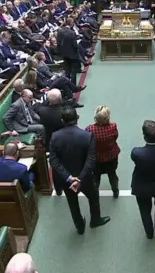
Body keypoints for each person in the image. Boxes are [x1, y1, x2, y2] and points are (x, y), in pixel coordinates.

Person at [49, 106, 110, 234]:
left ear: (62, 120)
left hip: (67, 180)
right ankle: (95, 220)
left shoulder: (55, 136)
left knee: (73, 204)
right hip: (85, 178)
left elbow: (54, 161)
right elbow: (91, 160)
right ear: (77, 118)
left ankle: (80, 227)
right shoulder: (87, 136)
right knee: (93, 198)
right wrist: (80, 179)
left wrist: (69, 178)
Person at [85, 106, 121, 198]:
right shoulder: (113, 127)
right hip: (111, 158)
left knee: (96, 177)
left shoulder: (90, 129)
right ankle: (115, 191)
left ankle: (95, 194)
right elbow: (115, 137)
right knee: (112, 175)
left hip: (96, 159)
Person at [57, 18, 80, 85]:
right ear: (71, 23)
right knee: (73, 71)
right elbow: (75, 45)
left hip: (64, 54)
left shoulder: (60, 31)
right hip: (72, 54)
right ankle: (73, 85)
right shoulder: (72, 33)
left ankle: (67, 84)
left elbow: (58, 43)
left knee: (67, 70)